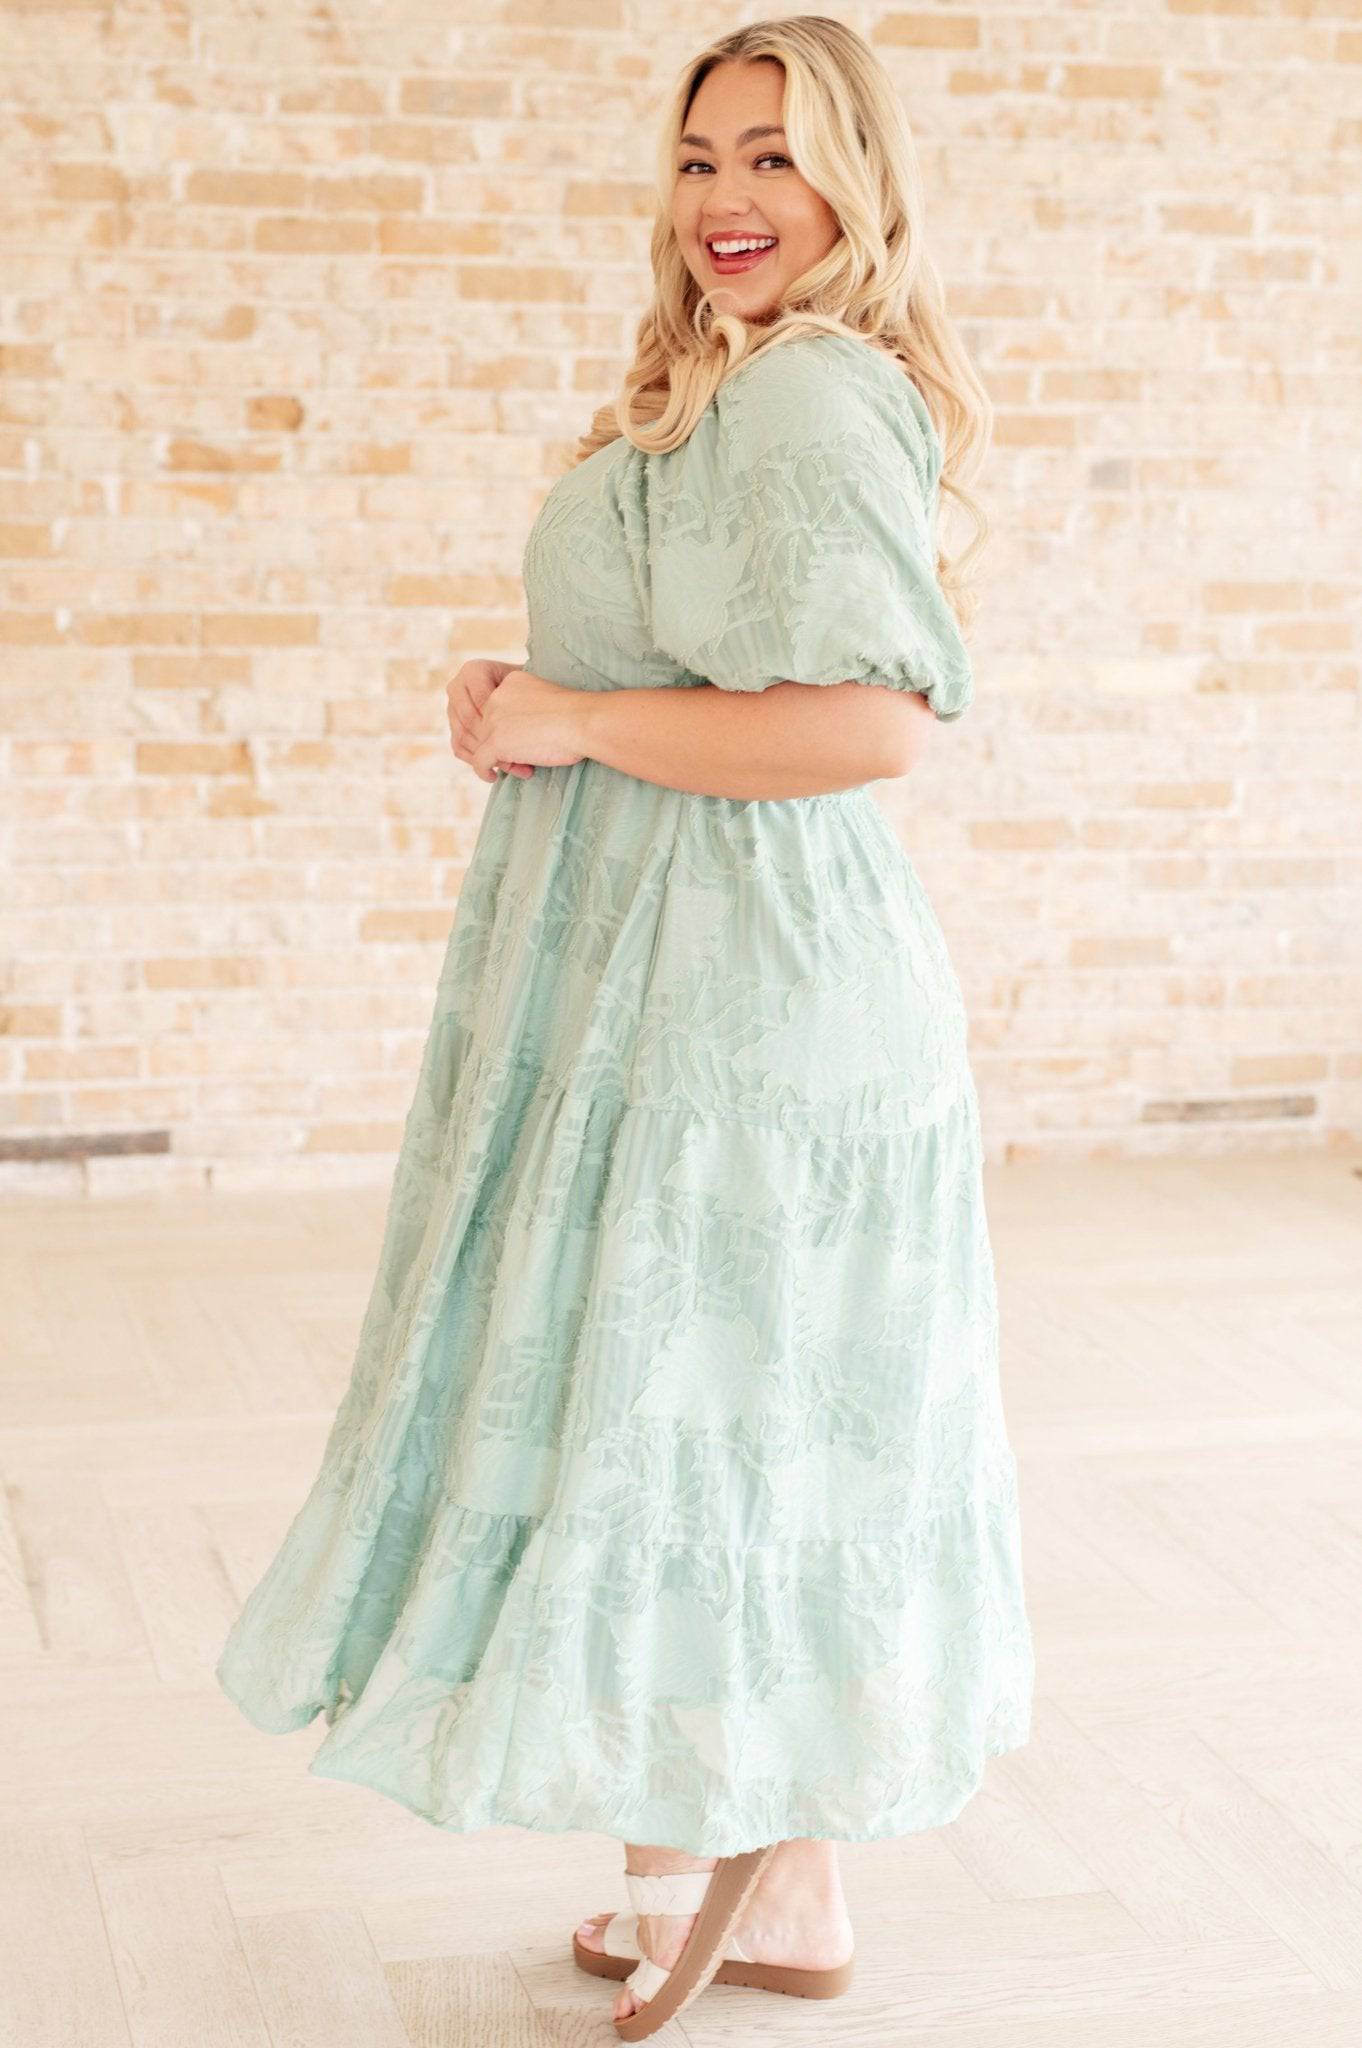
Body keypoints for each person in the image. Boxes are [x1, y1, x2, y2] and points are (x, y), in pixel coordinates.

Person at [215, 15, 1035, 2041]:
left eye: (775, 155)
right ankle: (775, 1877)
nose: (726, 199)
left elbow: (866, 726)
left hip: (748, 993)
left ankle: (746, 1861)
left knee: (687, 1412)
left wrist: (575, 717)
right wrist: (542, 688)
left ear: (856, 183)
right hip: (679, 967)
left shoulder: (815, 391)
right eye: (698, 158)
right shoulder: (727, 387)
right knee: (707, 1408)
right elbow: (714, 668)